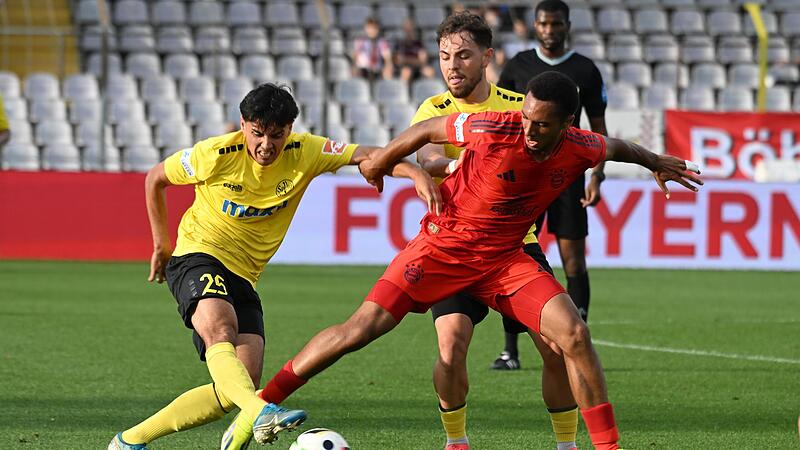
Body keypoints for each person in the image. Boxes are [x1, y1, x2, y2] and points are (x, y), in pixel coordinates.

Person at [226, 71, 703, 450]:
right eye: (527, 119)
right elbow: (429, 128)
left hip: (505, 261)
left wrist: (655, 160)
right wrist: (381, 161)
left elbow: (617, 147)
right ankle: (261, 405)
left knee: (574, 335)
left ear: (567, 124)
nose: (529, 130)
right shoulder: (493, 127)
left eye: (542, 124)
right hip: (441, 249)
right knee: (359, 330)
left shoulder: (581, 146)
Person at [107, 83, 439, 450]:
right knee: (220, 331)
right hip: (198, 254)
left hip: (244, 275)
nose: (266, 145)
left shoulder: (306, 151)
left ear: (289, 131)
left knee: (236, 387)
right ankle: (261, 411)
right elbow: (156, 178)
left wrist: (415, 174)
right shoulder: (215, 153)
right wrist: (162, 244)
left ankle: (128, 441)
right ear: (243, 125)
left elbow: (369, 155)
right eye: (257, 134)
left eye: (277, 135)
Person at [412, 11, 581, 450]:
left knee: (557, 349)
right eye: (445, 56)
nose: (452, 65)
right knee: (451, 348)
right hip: (454, 247)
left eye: (463, 56)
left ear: (486, 57)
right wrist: (457, 164)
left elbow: (556, 150)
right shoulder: (434, 108)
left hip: (514, 248)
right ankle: (456, 442)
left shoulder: (517, 105)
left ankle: (567, 444)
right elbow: (427, 158)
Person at [493, 0, 609, 371]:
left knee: (573, 259)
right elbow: (500, 119)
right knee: (517, 255)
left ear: (567, 26)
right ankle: (510, 349)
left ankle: (580, 342)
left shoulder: (585, 70)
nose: (549, 29)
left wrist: (597, 174)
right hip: (525, 179)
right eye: (543, 23)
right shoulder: (518, 66)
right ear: (536, 26)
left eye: (556, 24)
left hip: (569, 177)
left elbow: (599, 126)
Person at [394, 18, 435, 82]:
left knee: (429, 71)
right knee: (406, 72)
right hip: (404, 68)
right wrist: (415, 60)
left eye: (410, 29)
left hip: (418, 68)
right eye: (406, 29)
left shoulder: (419, 44)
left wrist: (406, 59)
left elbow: (423, 61)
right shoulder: (400, 45)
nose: (408, 31)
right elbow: (398, 61)